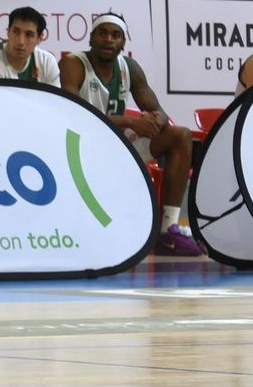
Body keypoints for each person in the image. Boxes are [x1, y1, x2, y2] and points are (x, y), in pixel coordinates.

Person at [61, 13, 202, 256]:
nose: (108, 40)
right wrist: (131, 121)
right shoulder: (73, 64)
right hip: (80, 146)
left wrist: (154, 120)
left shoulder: (129, 67)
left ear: (123, 42)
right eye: (102, 33)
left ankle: (168, 229)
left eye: (116, 35)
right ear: (91, 37)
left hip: (117, 144)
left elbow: (159, 111)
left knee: (180, 135)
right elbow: (75, 114)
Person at [0, 5, 60, 83]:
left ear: (40, 38)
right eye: (16, 32)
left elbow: (55, 100)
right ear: (8, 32)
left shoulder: (47, 61)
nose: (20, 41)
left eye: (29, 35)